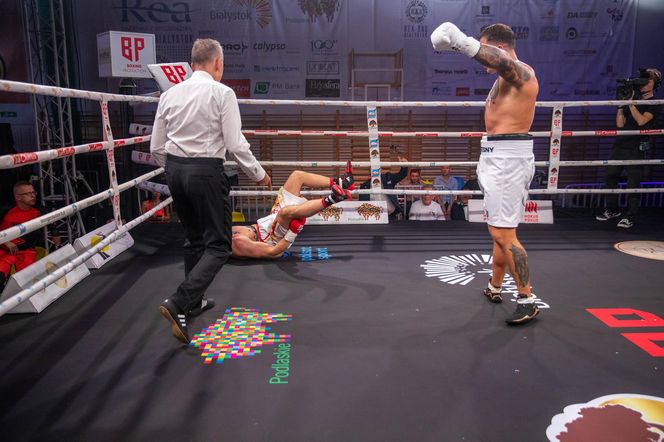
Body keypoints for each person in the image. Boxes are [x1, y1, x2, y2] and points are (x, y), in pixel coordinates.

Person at [150, 38, 272, 344]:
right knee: (218, 245)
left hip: (175, 170)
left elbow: (155, 147)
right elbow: (234, 143)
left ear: (193, 63)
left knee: (193, 239)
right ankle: (180, 300)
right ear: (217, 63)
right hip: (205, 171)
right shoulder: (222, 92)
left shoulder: (170, 94)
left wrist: (176, 168)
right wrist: (257, 173)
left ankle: (193, 302)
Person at [431, 22, 540, 324]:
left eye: (485, 46)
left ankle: (527, 298)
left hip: (508, 161)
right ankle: (495, 286)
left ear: (499, 47)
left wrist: (462, 43)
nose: (483, 59)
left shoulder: (520, 72)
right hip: (496, 156)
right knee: (497, 227)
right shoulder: (503, 80)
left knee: (504, 233)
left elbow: (501, 61)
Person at [232, 165, 354, 258]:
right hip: (271, 238)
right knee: (285, 212)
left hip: (267, 221)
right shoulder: (237, 244)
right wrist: (293, 232)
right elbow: (274, 253)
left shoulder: (224, 232)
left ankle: (343, 182)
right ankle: (333, 199)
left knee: (297, 176)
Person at [596, 68, 662, 228]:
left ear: (655, 85)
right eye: (644, 80)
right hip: (621, 144)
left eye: (649, 81)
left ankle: (630, 216)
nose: (645, 83)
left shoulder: (655, 103)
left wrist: (632, 103)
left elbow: (641, 121)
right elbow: (620, 124)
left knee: (633, 183)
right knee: (610, 176)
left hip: (636, 148)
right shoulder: (632, 98)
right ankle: (612, 209)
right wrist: (621, 105)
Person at [0, 182, 53, 290]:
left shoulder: (40, 211)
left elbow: (53, 222)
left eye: (33, 192)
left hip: (26, 250)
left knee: (28, 282)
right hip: (4, 249)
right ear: (18, 197)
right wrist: (5, 241)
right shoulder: (5, 211)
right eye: (28, 193)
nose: (33, 196)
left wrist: (56, 237)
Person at [359, 153, 409, 219]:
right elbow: (363, 204)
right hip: (373, 217)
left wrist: (404, 166)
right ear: (370, 171)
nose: (376, 171)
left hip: (390, 215)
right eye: (373, 169)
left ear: (381, 170)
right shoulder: (364, 186)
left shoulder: (388, 177)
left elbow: (401, 175)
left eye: (378, 168)